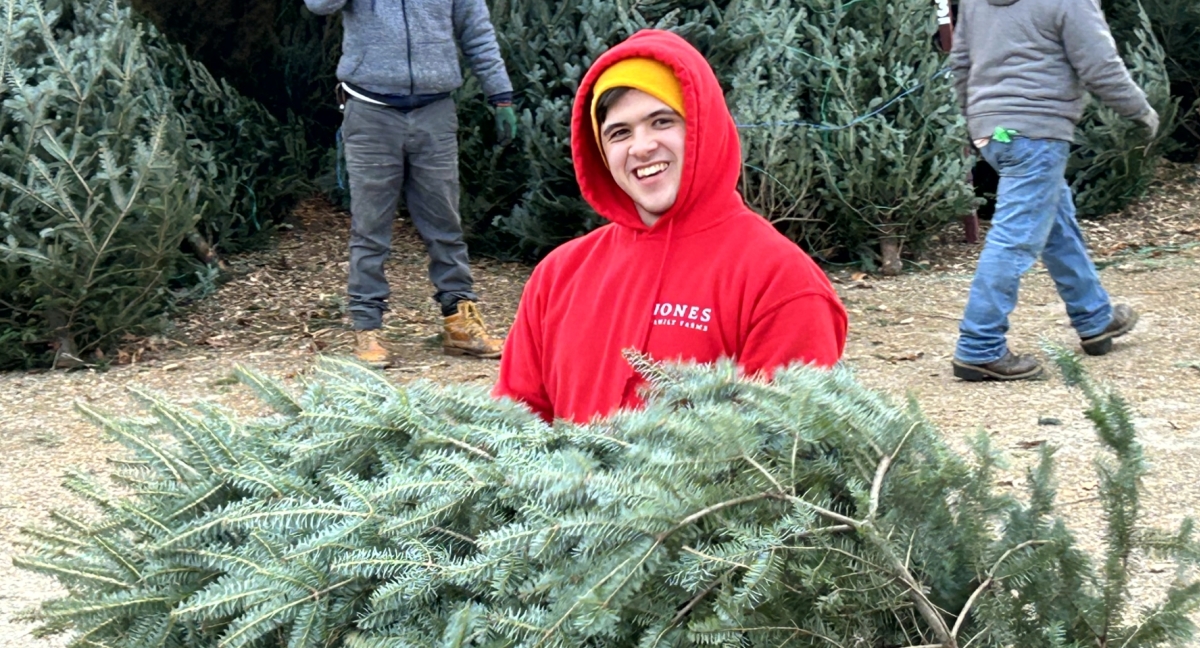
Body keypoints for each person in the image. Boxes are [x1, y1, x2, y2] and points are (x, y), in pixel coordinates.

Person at [493, 30, 848, 423]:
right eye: (619, 133)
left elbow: (787, 457)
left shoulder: (780, 281)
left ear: (702, 127)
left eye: (661, 121)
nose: (641, 146)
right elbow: (514, 428)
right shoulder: (558, 276)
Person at [949, 0, 1158, 381]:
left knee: (1055, 221)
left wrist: (979, 121)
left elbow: (960, 62)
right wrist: (1142, 111)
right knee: (1014, 239)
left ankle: (1095, 318)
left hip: (992, 132)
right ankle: (979, 347)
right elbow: (1100, 66)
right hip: (1037, 130)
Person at [304, 0, 518, 366]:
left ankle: (459, 321)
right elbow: (320, 5)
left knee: (445, 222)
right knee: (370, 227)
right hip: (369, 111)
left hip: (435, 111)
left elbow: (477, 31)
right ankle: (367, 327)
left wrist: (500, 95)